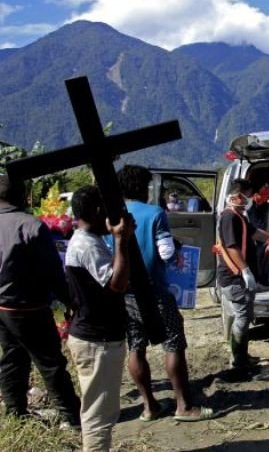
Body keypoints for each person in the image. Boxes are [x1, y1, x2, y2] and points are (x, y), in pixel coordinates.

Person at [117, 165, 212, 422]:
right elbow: (166, 253)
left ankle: (149, 407)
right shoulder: (155, 213)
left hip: (124, 293)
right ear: (142, 187)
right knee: (173, 344)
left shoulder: (112, 215)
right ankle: (183, 406)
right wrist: (175, 253)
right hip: (155, 291)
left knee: (136, 346)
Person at [0, 175, 81, 427]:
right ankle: (70, 415)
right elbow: (52, 271)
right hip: (29, 306)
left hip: (2, 306)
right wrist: (70, 300)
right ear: (21, 197)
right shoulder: (31, 226)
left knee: (12, 358)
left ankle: (15, 411)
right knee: (50, 362)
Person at [64, 186, 133, 451]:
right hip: (97, 341)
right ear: (95, 211)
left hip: (95, 336)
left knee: (102, 411)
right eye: (106, 209)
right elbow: (117, 284)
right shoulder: (88, 246)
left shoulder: (85, 241)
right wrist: (121, 241)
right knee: (98, 417)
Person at [216, 179, 269, 372]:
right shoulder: (230, 217)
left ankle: (241, 356)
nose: (250, 199)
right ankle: (238, 362)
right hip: (235, 277)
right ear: (238, 195)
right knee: (242, 317)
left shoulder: (240, 216)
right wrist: (245, 270)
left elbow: (254, 233)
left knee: (244, 316)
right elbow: (232, 247)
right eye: (248, 195)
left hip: (238, 276)